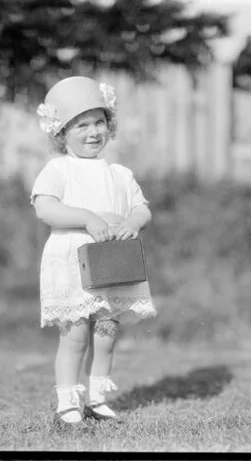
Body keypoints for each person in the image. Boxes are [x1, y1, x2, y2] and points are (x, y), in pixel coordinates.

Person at [31, 76, 157, 429]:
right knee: (74, 334)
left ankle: (99, 399)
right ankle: (68, 401)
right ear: (62, 133)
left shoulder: (119, 174)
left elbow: (142, 208)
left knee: (106, 331)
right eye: (81, 125)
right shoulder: (59, 170)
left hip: (112, 261)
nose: (93, 132)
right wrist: (86, 217)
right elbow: (45, 209)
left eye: (99, 122)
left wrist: (133, 221)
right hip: (73, 259)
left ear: (109, 125)